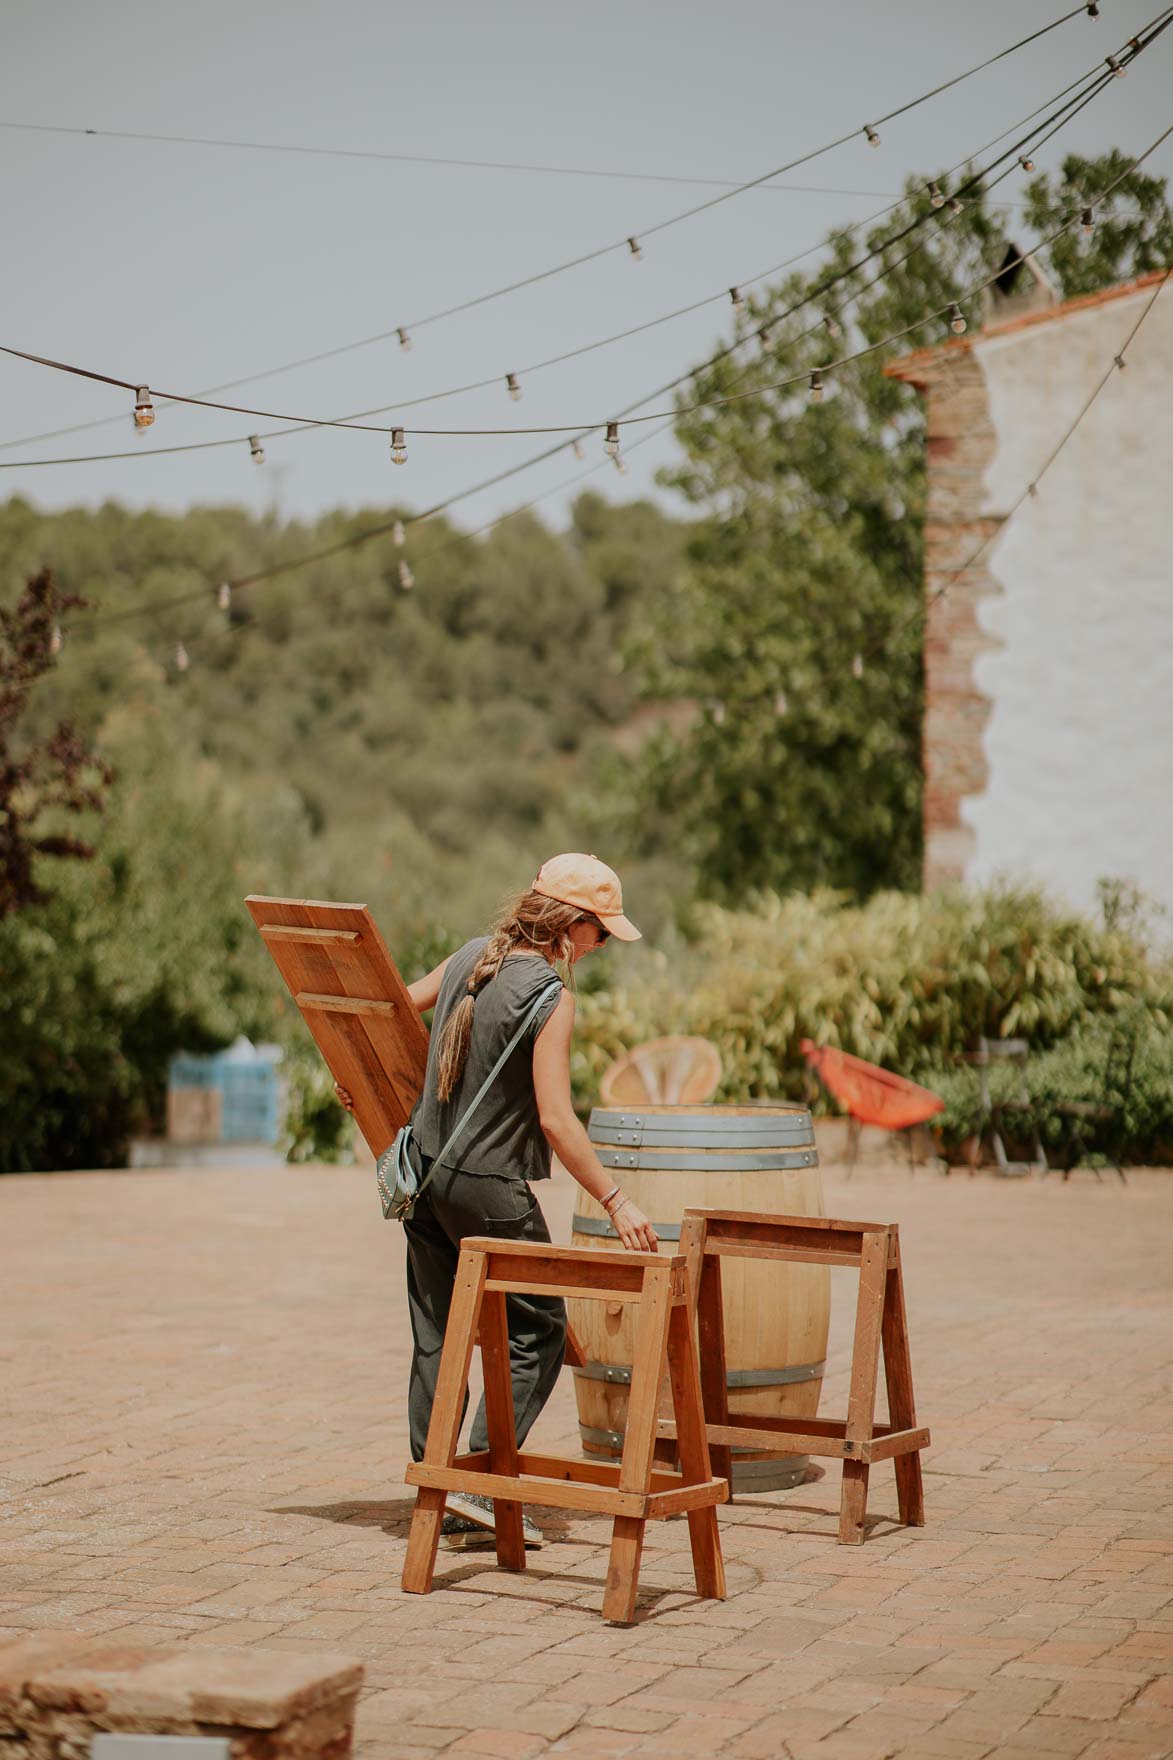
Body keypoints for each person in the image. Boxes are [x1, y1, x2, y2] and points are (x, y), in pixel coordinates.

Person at [336, 853, 657, 1550]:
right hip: (487, 1189)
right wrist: (615, 1200)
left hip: (423, 1175)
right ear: (572, 927)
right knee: (537, 1332)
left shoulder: (468, 957)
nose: (600, 949)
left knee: (437, 1336)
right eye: (601, 935)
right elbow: (555, 1121)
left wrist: (356, 1078)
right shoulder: (549, 998)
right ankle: (478, 1486)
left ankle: (439, 1488)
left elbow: (387, 1008)